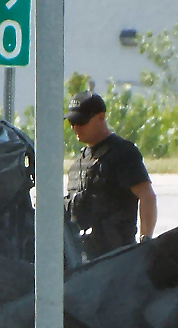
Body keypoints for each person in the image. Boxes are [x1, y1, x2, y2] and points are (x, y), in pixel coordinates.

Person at [63, 90, 157, 260]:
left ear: (101, 117)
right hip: (82, 258)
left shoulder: (122, 152)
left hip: (116, 258)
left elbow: (147, 196)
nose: (76, 128)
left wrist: (145, 242)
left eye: (81, 121)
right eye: (72, 122)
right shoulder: (79, 161)